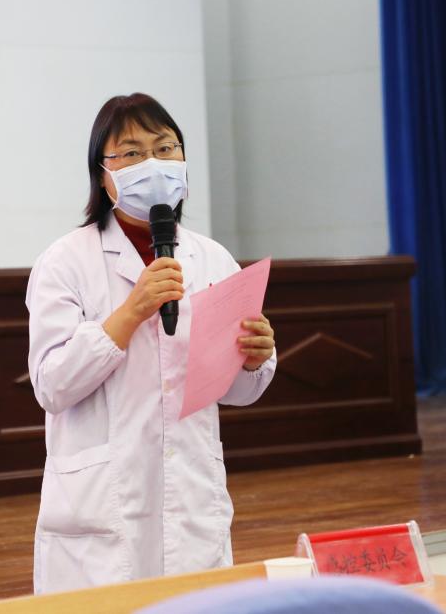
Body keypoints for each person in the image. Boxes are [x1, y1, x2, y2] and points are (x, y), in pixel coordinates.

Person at [25, 93, 277, 594]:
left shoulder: (212, 258)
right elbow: (51, 385)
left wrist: (255, 358)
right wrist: (130, 313)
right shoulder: (65, 262)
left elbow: (239, 393)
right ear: (102, 173)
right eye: (133, 153)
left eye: (165, 149)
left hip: (192, 497)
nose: (154, 164)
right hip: (100, 505)